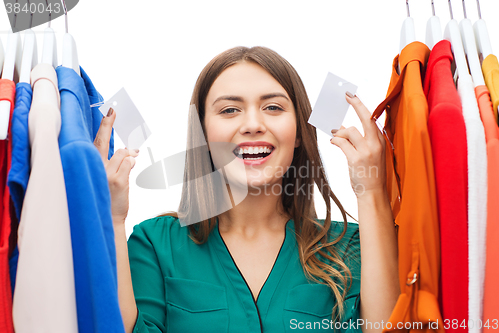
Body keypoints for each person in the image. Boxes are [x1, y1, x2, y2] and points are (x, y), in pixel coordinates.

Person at [93, 46, 399, 333]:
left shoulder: (349, 246)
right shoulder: (156, 244)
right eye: (229, 110)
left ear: (297, 134)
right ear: (204, 134)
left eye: (273, 107)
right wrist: (111, 217)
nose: (253, 124)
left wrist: (371, 191)